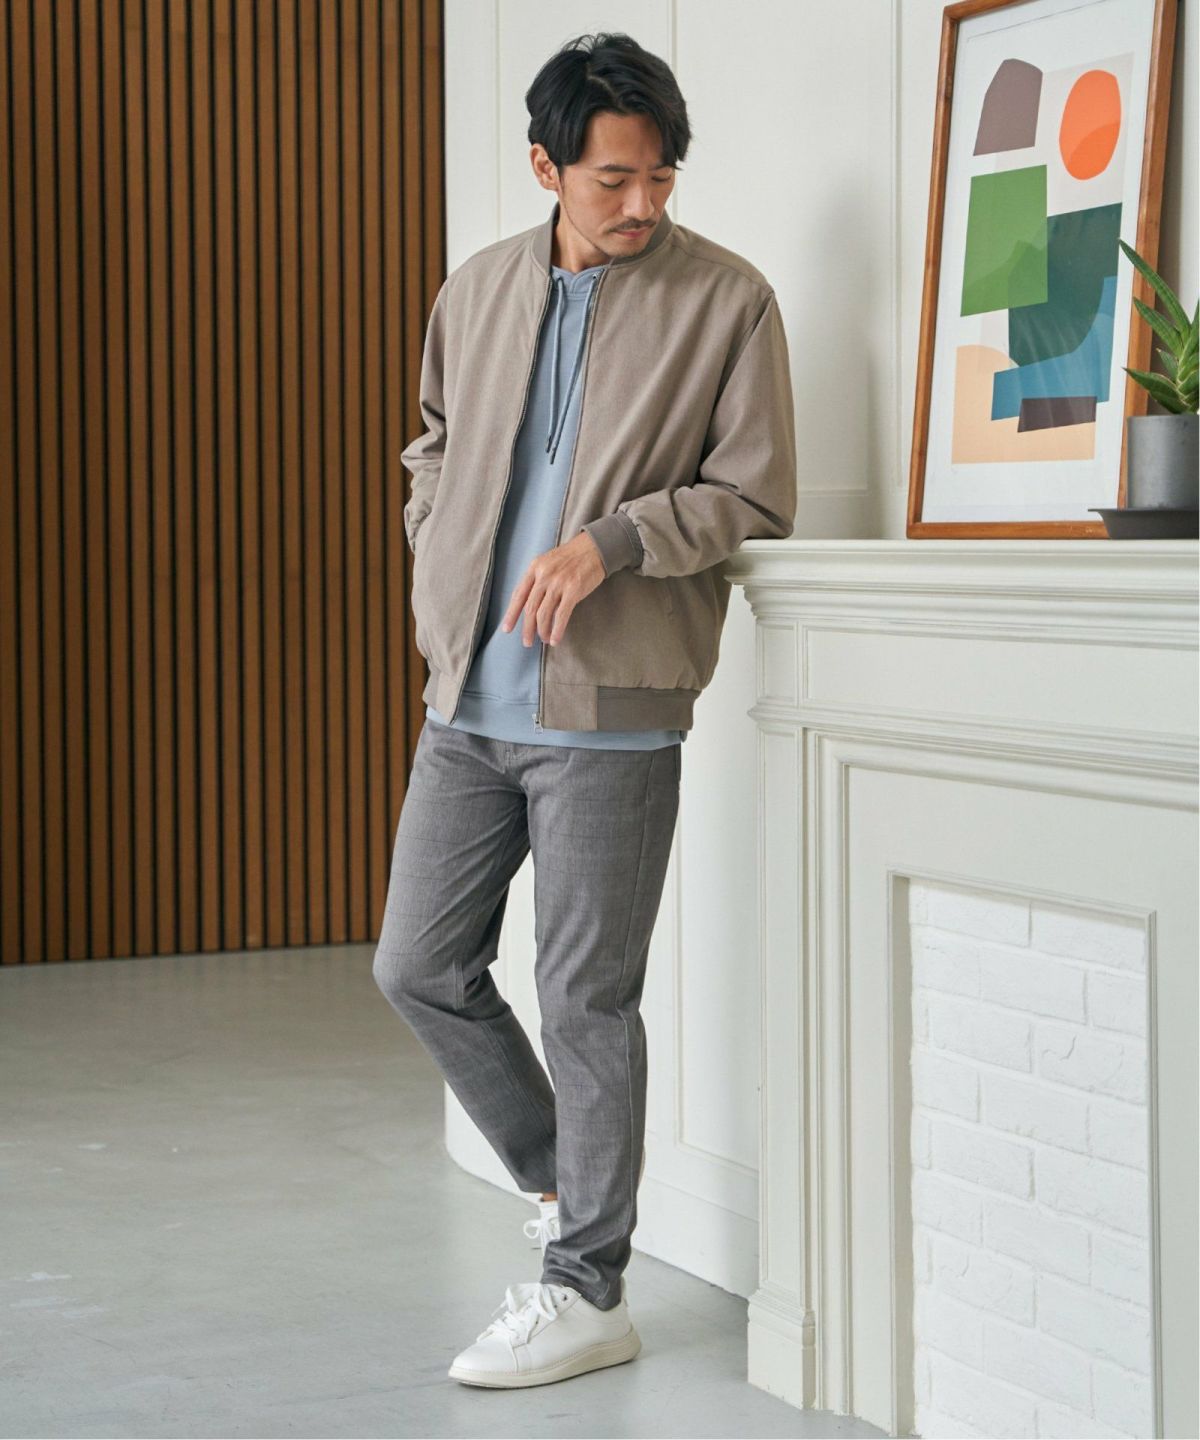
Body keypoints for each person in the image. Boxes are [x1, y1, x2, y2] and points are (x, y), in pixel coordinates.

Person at [372, 30, 797, 1390]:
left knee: (584, 1001)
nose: (642, 205)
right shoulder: (478, 289)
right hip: (468, 702)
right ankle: (576, 1189)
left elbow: (753, 494)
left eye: (661, 177)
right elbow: (433, 446)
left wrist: (611, 543)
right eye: (614, 179)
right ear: (547, 166)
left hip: (613, 714)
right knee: (417, 966)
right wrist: (436, 557)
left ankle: (588, 1289)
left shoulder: (728, 302)